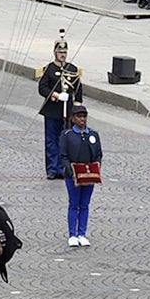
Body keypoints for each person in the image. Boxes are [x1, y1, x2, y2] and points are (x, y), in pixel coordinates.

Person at [36, 33, 82, 178]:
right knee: (51, 141)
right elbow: (42, 88)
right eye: (60, 52)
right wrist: (56, 95)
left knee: (65, 141)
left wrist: (76, 110)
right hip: (52, 111)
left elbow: (78, 90)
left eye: (64, 52)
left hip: (67, 112)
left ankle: (63, 168)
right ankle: (52, 169)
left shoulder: (73, 69)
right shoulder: (49, 69)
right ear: (54, 53)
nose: (62, 55)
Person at [58, 103, 102, 247]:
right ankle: (72, 234)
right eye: (79, 117)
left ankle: (82, 233)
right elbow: (63, 156)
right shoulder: (67, 135)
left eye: (84, 117)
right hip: (73, 175)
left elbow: (98, 154)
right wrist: (73, 173)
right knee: (74, 204)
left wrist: (97, 166)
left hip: (88, 175)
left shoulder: (93, 134)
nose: (82, 119)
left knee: (85, 205)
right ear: (73, 119)